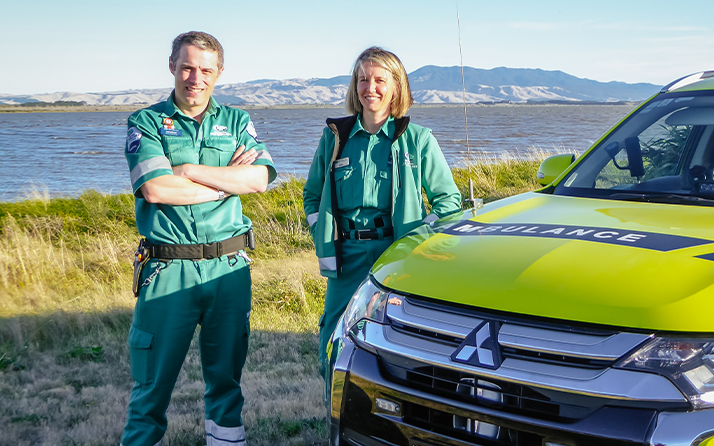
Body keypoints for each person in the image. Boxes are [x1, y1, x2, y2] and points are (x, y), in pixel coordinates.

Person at [121, 31, 276, 446]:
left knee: (226, 384)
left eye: (206, 70)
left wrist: (187, 170)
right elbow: (156, 189)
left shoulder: (237, 121)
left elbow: (259, 179)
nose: (196, 78)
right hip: (168, 269)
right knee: (151, 388)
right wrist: (227, 183)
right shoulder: (147, 122)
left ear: (219, 73)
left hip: (229, 269)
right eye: (188, 67)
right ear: (172, 65)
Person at [303, 47, 461, 373]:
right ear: (354, 86)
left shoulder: (417, 139)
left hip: (396, 254)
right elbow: (312, 196)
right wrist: (321, 231)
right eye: (363, 79)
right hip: (345, 257)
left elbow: (448, 202)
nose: (370, 88)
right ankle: (334, 409)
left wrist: (416, 240)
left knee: (394, 338)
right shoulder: (335, 137)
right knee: (333, 337)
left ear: (396, 87)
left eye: (379, 80)